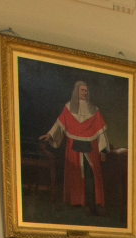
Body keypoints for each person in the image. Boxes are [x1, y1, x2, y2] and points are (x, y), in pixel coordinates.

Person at [39, 80, 116, 215]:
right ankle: (77, 203)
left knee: (90, 176)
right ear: (76, 91)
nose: (84, 93)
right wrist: (49, 134)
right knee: (76, 175)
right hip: (74, 147)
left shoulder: (94, 110)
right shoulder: (68, 108)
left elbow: (101, 132)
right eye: (82, 90)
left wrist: (102, 149)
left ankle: (92, 204)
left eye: (86, 90)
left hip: (91, 147)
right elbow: (59, 124)